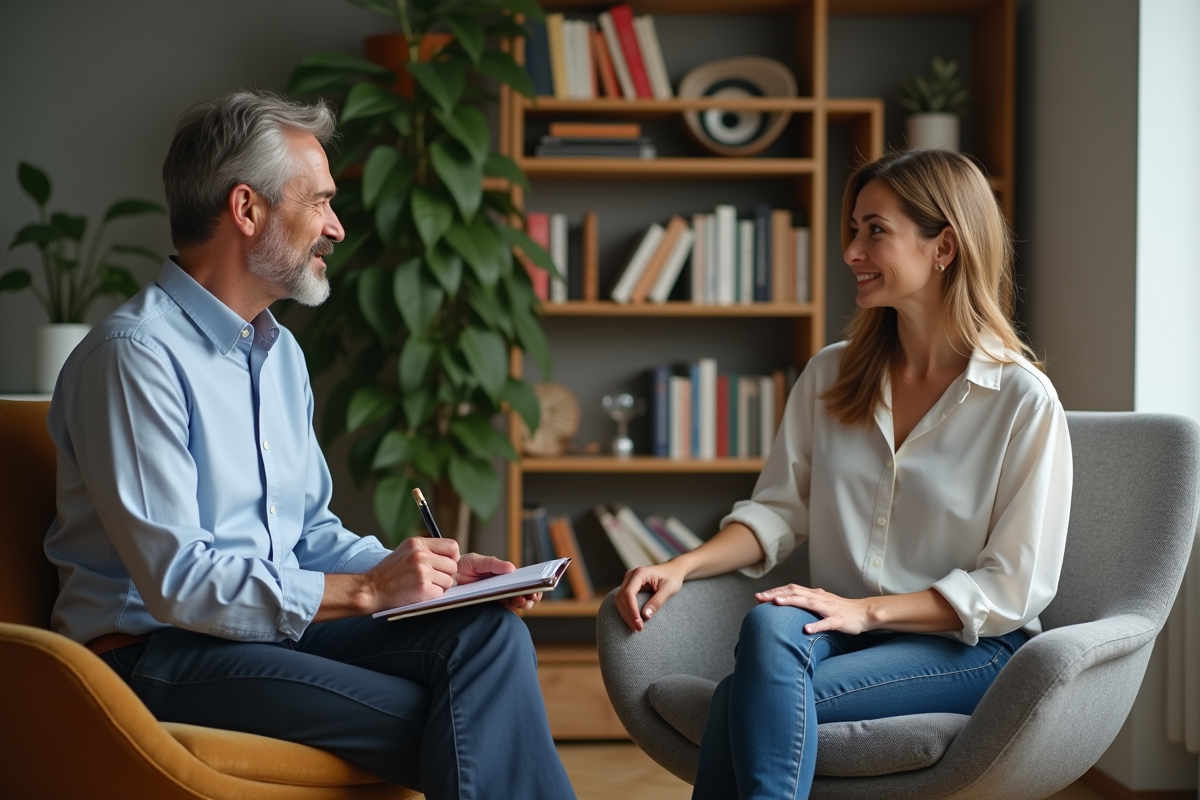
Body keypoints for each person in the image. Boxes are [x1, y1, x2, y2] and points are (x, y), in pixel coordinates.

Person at [44, 90, 576, 800]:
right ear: (247, 209)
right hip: (150, 654)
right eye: (320, 201)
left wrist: (426, 580)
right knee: (466, 720)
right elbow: (177, 584)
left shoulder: (280, 352)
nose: (338, 226)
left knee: (485, 634)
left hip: (265, 635)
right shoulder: (135, 356)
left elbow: (308, 531)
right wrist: (365, 590)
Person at [616, 149, 1072, 799]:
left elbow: (1012, 587)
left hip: (969, 649)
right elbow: (777, 510)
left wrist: (866, 610)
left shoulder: (1021, 401)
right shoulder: (831, 376)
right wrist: (683, 566)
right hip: (835, 634)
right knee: (770, 624)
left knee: (737, 701)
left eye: (875, 231)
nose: (852, 251)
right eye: (854, 229)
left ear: (943, 246)